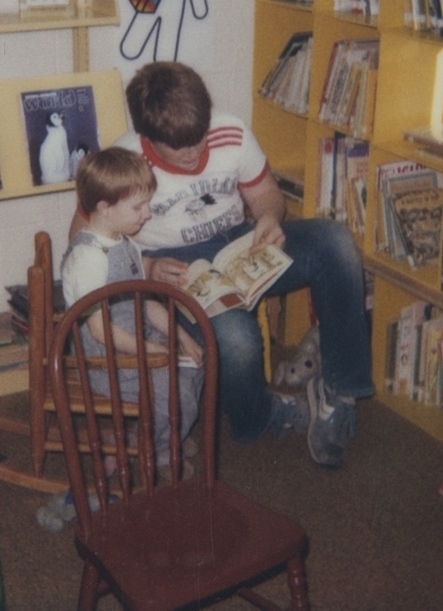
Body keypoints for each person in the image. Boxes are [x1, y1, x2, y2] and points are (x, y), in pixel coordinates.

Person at [69, 61, 373, 469]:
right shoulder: (123, 159)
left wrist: (268, 217)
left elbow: (268, 196)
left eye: (200, 140)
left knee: (336, 243)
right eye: (182, 149)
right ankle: (259, 417)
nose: (196, 155)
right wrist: (145, 267)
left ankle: (337, 395)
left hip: (238, 242)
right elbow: (83, 239)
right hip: (171, 264)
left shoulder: (230, 132)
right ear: (149, 139)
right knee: (237, 340)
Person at [61, 146, 204, 476]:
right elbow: (99, 331)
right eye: (139, 207)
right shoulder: (89, 257)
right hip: (108, 359)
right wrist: (151, 350)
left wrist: (181, 336)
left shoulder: (125, 243)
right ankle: (163, 453)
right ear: (105, 208)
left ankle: (156, 438)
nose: (148, 214)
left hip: (134, 337)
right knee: (174, 391)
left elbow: (145, 304)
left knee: (197, 363)